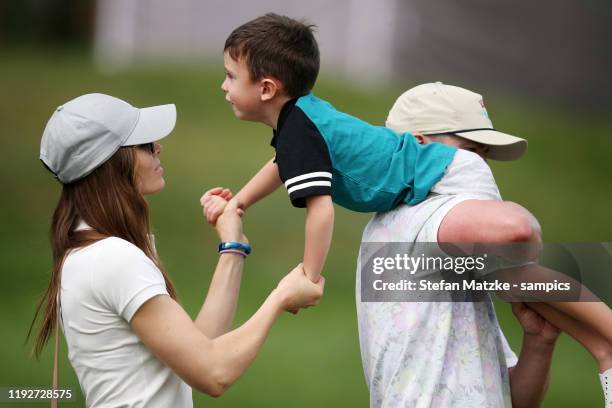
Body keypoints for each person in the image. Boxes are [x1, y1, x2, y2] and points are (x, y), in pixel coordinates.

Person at [204, 13, 612, 390]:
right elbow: (283, 166)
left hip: (442, 184)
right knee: (512, 273)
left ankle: (605, 344)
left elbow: (312, 198)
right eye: (475, 147)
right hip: (439, 182)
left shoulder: (305, 127)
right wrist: (241, 205)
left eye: (229, 76)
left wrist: (305, 270)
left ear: (268, 87)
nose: (223, 86)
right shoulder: (307, 129)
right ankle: (605, 346)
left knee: (510, 273)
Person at [28, 93, 324, 407]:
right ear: (110, 164)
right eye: (143, 145)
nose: (158, 147)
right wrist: (280, 298)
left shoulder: (91, 250)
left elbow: (199, 351)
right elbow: (213, 373)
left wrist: (233, 248)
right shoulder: (112, 258)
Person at [355, 82, 612, 407]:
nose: (481, 167)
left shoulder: (444, 243)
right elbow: (516, 229)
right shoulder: (419, 216)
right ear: (419, 145)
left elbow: (517, 400)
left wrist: (538, 341)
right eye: (472, 152)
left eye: (484, 157)